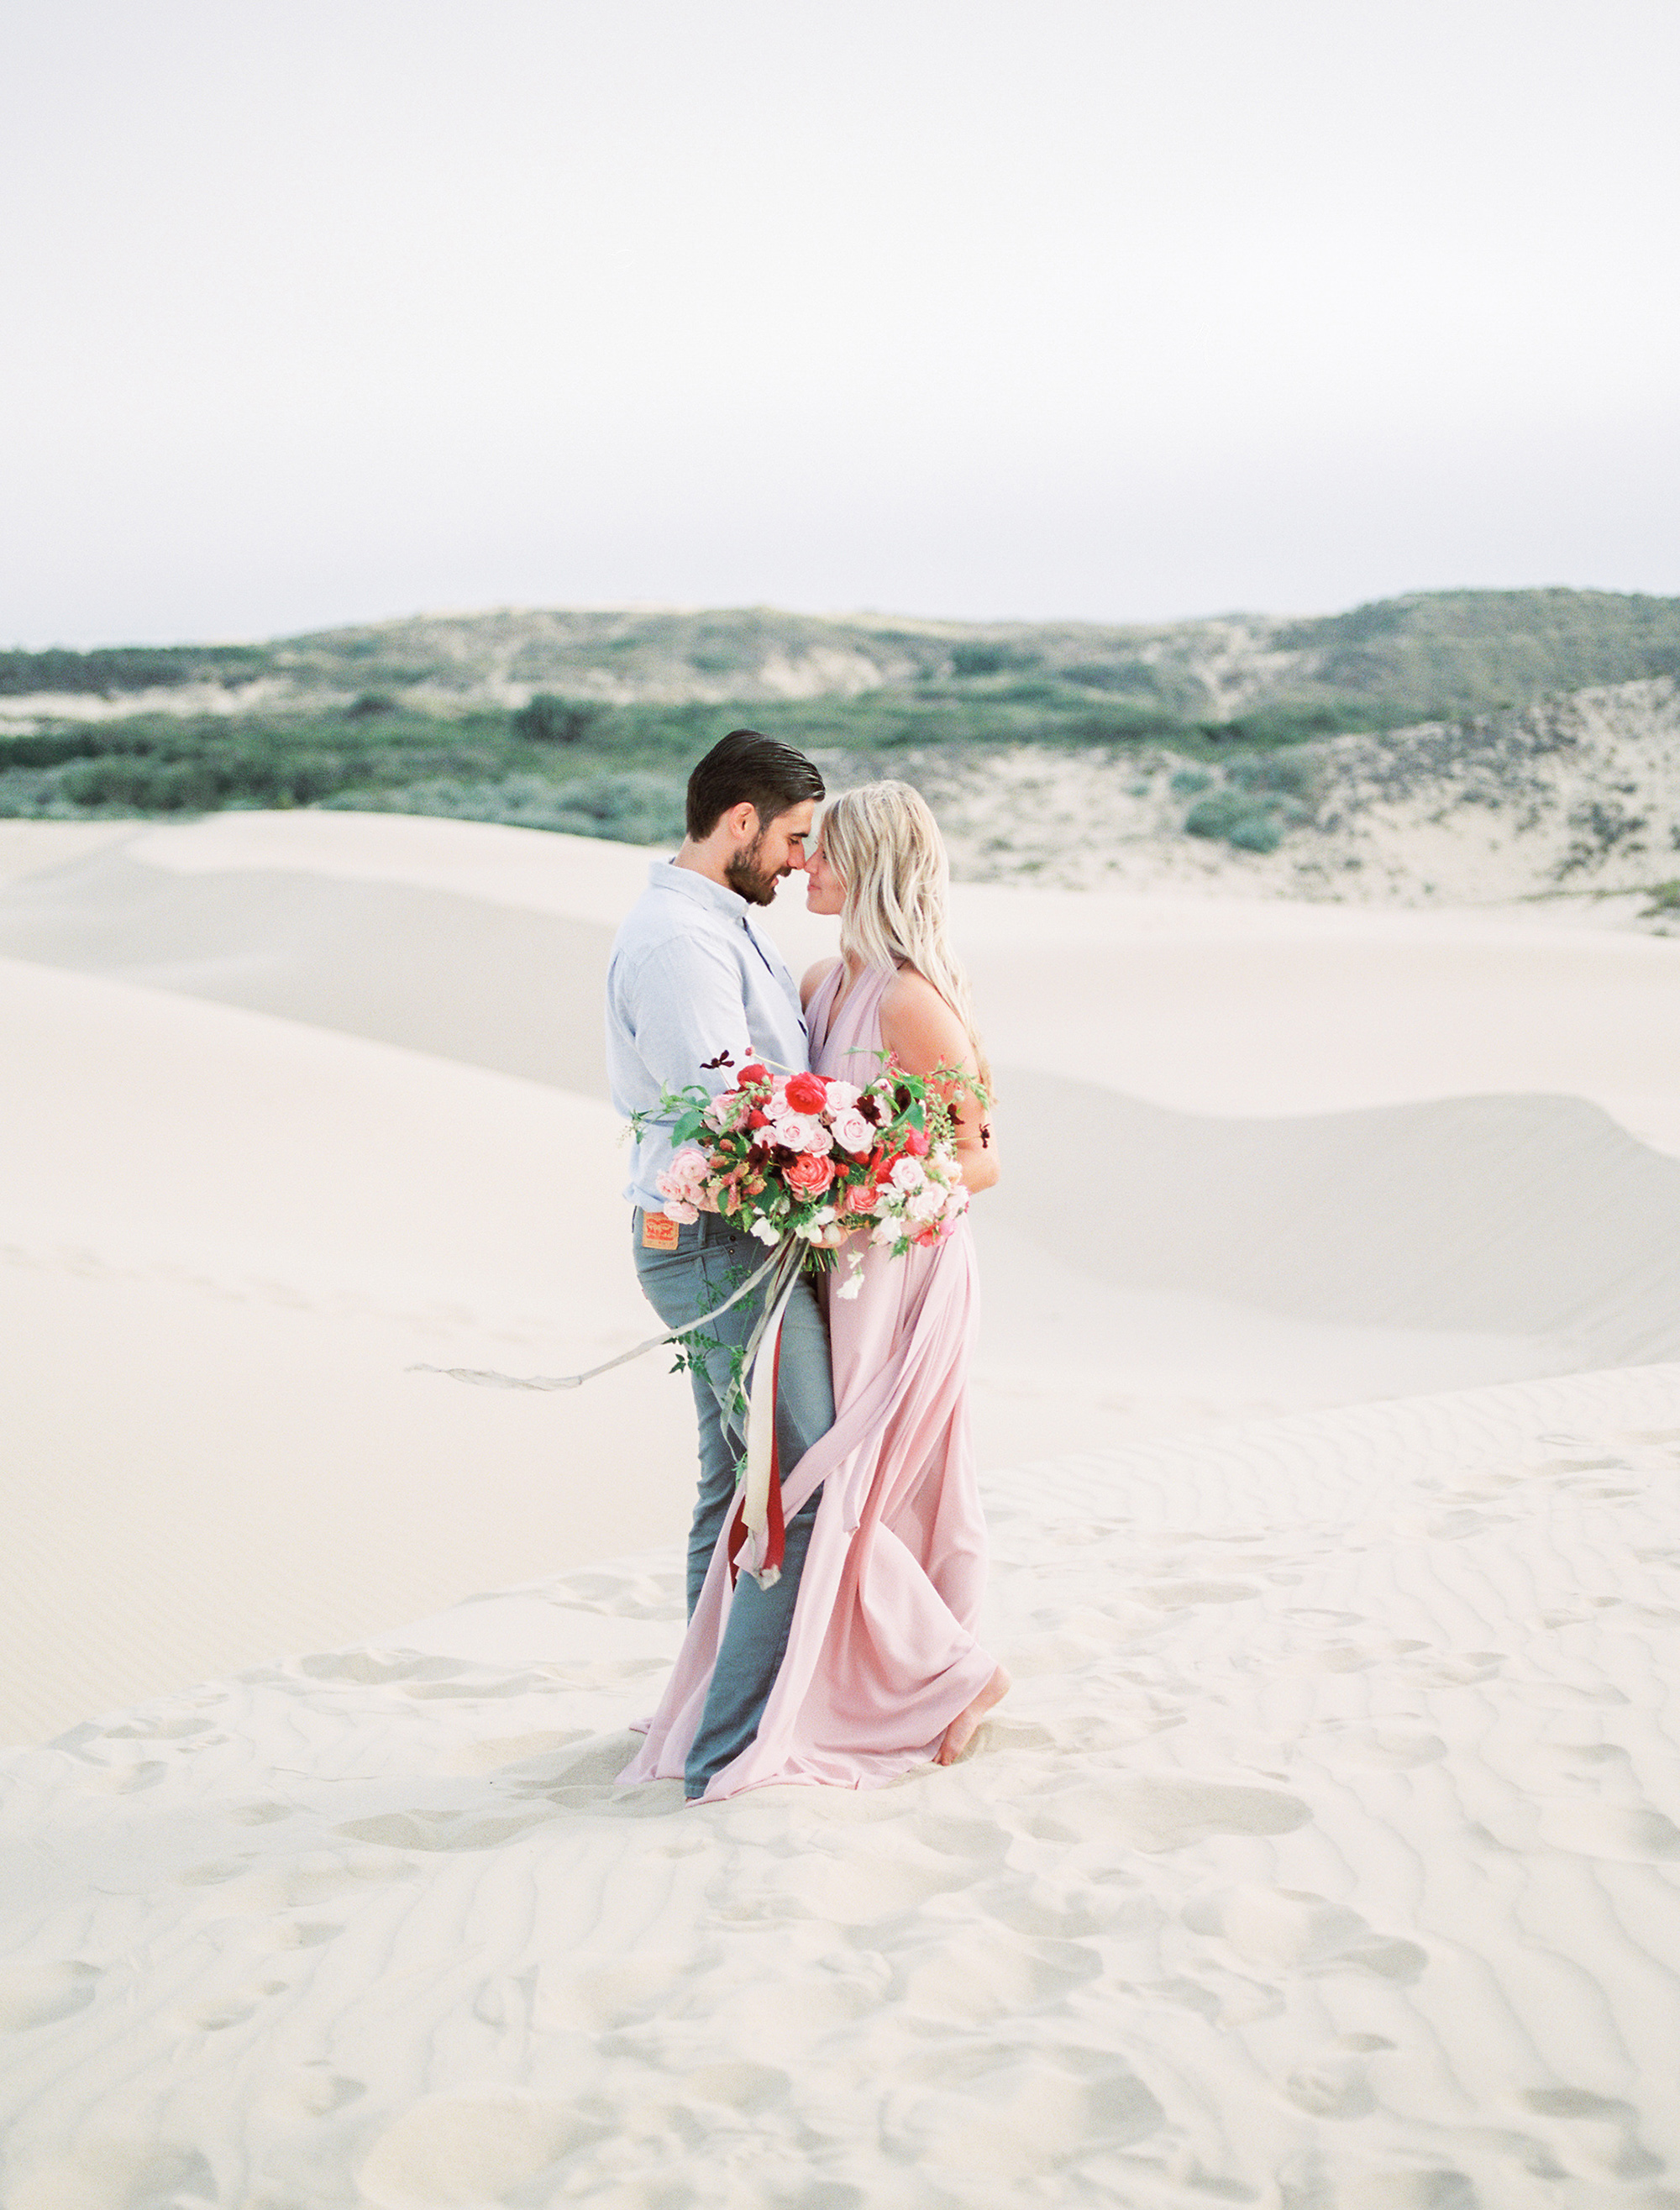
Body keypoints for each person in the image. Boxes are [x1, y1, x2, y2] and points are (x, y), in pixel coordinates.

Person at [622, 778, 1010, 1800]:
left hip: (903, 1271)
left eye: (824, 853)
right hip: (838, 1270)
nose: (805, 868)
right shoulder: (820, 984)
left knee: (850, 1475)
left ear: (871, 868)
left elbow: (978, 1162)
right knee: (817, 1474)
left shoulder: (910, 1000)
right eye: (802, 846)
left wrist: (856, 1199)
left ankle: (940, 1675)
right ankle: (803, 1686)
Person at [606, 728, 837, 1802]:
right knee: (790, 1482)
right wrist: (859, 1160)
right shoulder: (679, 946)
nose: (799, 861)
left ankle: (699, 1718)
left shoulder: (716, 926)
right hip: (712, 1240)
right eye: (790, 838)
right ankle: (730, 1753)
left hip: (724, 1236)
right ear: (738, 821)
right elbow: (729, 1112)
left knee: (730, 1489)